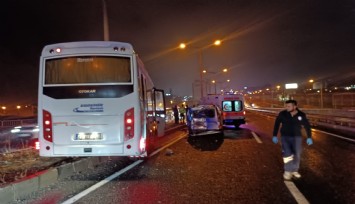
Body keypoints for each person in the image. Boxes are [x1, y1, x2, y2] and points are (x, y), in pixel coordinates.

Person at [272, 99, 313, 180]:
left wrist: (309, 137)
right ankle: (287, 170)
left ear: (295, 106)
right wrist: (274, 135)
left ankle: (294, 170)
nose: (287, 107)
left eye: (289, 106)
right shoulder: (282, 114)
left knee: (297, 154)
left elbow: (307, 126)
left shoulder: (301, 115)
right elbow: (276, 124)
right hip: (285, 137)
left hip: (297, 137)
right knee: (287, 154)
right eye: (286, 106)